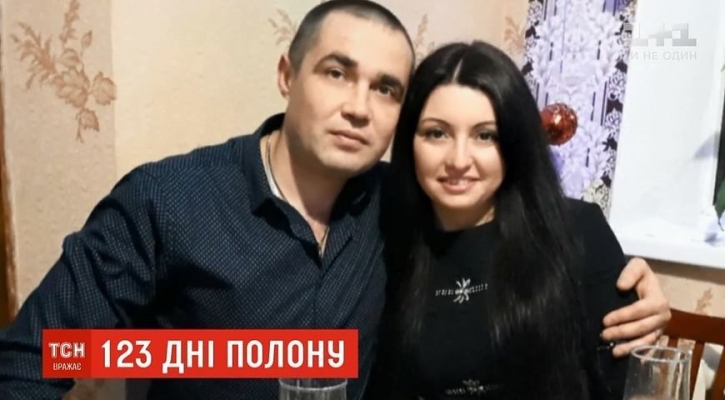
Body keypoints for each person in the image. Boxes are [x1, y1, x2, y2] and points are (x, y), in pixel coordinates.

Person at [0, 1, 668, 399]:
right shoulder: (170, 201)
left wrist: (634, 291)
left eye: (385, 89)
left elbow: (507, 230)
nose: (357, 107)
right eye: (336, 73)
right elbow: (40, 359)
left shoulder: (398, 207)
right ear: (287, 75)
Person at [367, 40, 645, 400]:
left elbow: (627, 383)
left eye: (485, 136)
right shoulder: (384, 233)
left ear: (515, 143)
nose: (458, 160)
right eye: (437, 133)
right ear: (409, 141)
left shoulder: (579, 232)